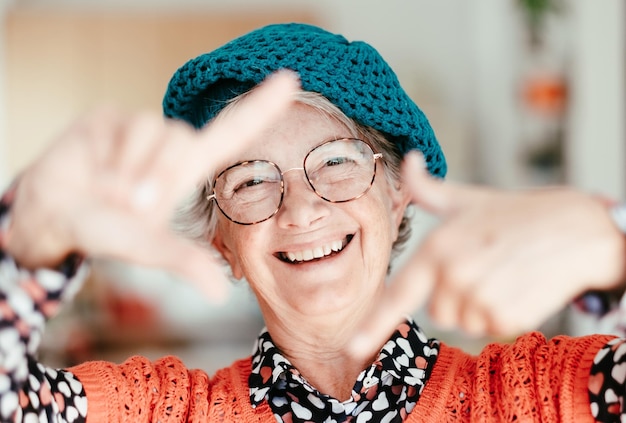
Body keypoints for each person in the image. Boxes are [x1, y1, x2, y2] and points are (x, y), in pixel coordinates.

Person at [0, 22, 625, 422]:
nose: (301, 209)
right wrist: (23, 249)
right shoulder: (163, 412)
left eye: (336, 162)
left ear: (398, 195)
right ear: (222, 241)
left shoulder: (541, 397)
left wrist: (615, 250)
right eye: (250, 181)